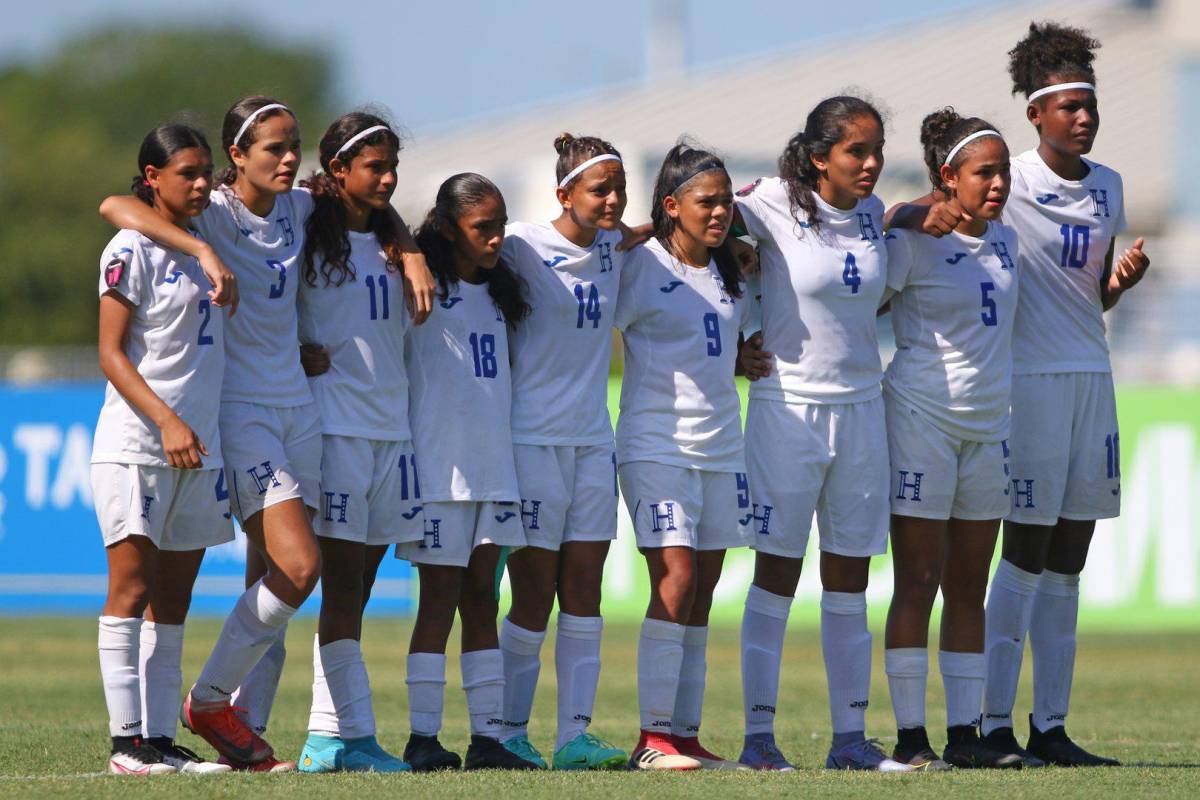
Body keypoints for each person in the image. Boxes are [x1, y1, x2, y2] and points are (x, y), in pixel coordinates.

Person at [888, 22, 1148, 767]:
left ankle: (1053, 725)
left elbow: (1084, 294)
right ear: (1036, 113)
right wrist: (909, 213)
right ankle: (994, 721)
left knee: (1072, 553)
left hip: (1091, 378)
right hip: (1023, 387)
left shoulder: (1110, 186)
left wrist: (1114, 287)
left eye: (1089, 105)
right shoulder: (1010, 178)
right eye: (1067, 106)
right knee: (1022, 554)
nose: (1083, 117)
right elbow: (937, 208)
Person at [732, 96, 910, 772]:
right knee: (776, 571)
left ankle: (850, 741)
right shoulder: (769, 199)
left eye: (875, 151)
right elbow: (694, 216)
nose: (870, 164)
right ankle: (757, 740)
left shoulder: (871, 212)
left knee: (850, 579)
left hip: (862, 409)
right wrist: (731, 340)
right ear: (817, 156)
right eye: (856, 151)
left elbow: (876, 290)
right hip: (787, 410)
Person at [882, 109, 1023, 770]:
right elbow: (862, 295)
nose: (997, 184)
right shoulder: (911, 241)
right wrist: (908, 213)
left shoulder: (1008, 242)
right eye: (984, 172)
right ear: (948, 177)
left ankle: (964, 735)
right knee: (917, 580)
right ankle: (913, 737)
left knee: (969, 587)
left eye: (1003, 171)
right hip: (920, 422)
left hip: (989, 427)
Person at [93, 122, 234, 776]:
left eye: (207, 171)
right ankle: (127, 745)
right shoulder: (130, 249)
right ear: (153, 177)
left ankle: (158, 740)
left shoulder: (200, 241)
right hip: (139, 446)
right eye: (188, 173)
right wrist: (166, 421)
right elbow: (110, 352)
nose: (203, 183)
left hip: (198, 451)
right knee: (131, 590)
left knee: (172, 603)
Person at [395, 173, 539, 771]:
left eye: (501, 225)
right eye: (482, 227)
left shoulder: (504, 291)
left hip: (494, 469)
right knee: (438, 601)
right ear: (450, 228)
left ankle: (488, 739)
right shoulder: (417, 284)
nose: (496, 237)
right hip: (438, 473)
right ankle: (423, 738)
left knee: (483, 598)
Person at [615, 143, 751, 771]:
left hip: (722, 445)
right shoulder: (637, 264)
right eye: (706, 201)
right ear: (672, 206)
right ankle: (652, 739)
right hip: (656, 445)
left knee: (703, 591)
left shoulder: (732, 269)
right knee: (676, 580)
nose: (720, 211)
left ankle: (686, 736)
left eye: (725, 200)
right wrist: (641, 228)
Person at [290, 113, 418, 773]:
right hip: (334, 429)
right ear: (337, 170)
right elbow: (262, 300)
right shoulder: (306, 230)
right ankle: (342, 739)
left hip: (389, 432)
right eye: (375, 166)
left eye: (393, 165)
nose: (389, 178)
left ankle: (329, 737)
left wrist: (412, 247)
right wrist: (291, 351)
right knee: (340, 587)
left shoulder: (397, 244)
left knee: (358, 591)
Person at [496, 133, 629, 771]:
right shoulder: (521, 244)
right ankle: (509, 731)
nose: (611, 201)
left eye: (617, 189)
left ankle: (575, 736)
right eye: (599, 189)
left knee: (585, 588)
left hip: (592, 441)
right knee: (532, 591)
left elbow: (670, 221)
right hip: (530, 443)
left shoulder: (614, 247)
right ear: (563, 194)